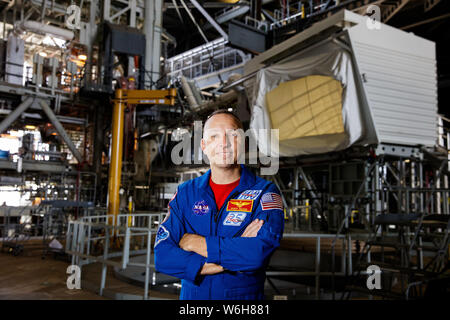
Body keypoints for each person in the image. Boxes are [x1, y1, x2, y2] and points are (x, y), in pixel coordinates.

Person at [154, 109, 284, 300]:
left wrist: (193, 243)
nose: (224, 144)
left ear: (244, 143)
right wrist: (229, 259)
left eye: (232, 135)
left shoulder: (265, 193)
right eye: (214, 136)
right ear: (204, 146)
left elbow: (256, 255)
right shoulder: (186, 193)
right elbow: (163, 257)